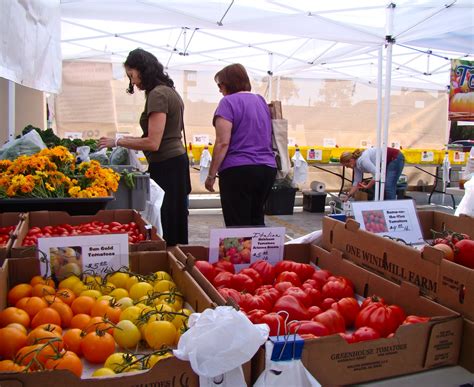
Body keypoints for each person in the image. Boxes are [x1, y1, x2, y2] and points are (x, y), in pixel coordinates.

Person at [99, 48, 191, 246]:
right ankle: (177, 260)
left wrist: (118, 142)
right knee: (175, 217)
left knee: (168, 221)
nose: (132, 82)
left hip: (167, 165)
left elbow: (153, 142)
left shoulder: (158, 95)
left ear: (142, 70)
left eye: (132, 76)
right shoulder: (168, 91)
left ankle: (170, 260)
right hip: (174, 162)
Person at [205, 63, 277, 226]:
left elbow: (223, 143)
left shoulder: (227, 103)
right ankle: (259, 251)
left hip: (238, 170)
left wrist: (211, 175)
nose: (219, 89)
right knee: (256, 217)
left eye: (220, 85)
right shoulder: (260, 101)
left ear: (228, 83)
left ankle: (240, 252)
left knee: (237, 223)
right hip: (266, 169)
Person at [340, 147, 405, 200]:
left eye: (347, 165)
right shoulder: (356, 165)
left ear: (351, 160)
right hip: (387, 161)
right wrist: (348, 196)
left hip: (395, 157)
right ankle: (380, 206)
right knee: (380, 186)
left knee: (388, 186)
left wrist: (368, 186)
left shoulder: (363, 160)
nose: (347, 167)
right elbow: (357, 182)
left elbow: (377, 174)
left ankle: (391, 209)